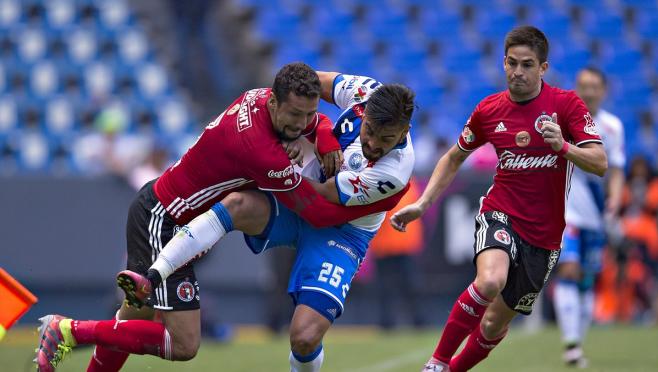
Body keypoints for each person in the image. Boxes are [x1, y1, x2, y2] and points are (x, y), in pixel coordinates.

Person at [34, 63, 407, 372]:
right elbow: (316, 211)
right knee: (183, 343)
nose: (304, 122)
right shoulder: (264, 153)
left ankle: (77, 331)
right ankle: (68, 329)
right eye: (297, 116)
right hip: (164, 221)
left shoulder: (262, 100)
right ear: (276, 103)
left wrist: (323, 136)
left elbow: (314, 123)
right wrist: (384, 199)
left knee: (131, 323)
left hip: (168, 214)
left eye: (310, 113)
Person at [390, 26, 608, 372]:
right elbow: (453, 157)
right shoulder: (489, 110)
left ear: (543, 68)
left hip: (546, 236)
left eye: (527, 64)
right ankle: (436, 363)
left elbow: (600, 162)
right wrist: (423, 203)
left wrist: (563, 147)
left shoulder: (565, 105)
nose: (517, 72)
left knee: (493, 325)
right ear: (503, 62)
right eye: (511, 63)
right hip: (501, 213)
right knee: (490, 281)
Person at [552, 67, 626, 368]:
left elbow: (617, 168)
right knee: (568, 269)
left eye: (594, 86)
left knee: (586, 280)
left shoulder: (612, 127)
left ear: (604, 90)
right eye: (582, 85)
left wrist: (616, 201)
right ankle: (570, 343)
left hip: (595, 214)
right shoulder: (563, 120)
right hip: (565, 212)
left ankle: (577, 343)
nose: (588, 91)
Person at [370, 177, 425, 329]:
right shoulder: (385, 179)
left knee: (410, 285)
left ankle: (417, 321)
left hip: (402, 244)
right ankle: (388, 322)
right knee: (387, 287)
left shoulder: (409, 182)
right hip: (385, 245)